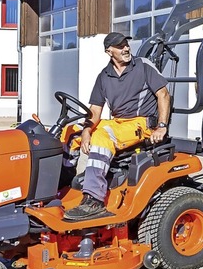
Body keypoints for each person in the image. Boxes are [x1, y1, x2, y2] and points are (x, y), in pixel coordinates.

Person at [64, 32, 170, 221]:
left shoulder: (143, 66)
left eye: (126, 44)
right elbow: (95, 110)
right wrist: (87, 131)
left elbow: (163, 95)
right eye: (120, 46)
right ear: (109, 51)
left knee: (102, 137)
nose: (126, 48)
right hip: (118, 122)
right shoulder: (104, 76)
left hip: (141, 122)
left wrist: (161, 126)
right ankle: (64, 185)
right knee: (70, 133)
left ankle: (94, 199)